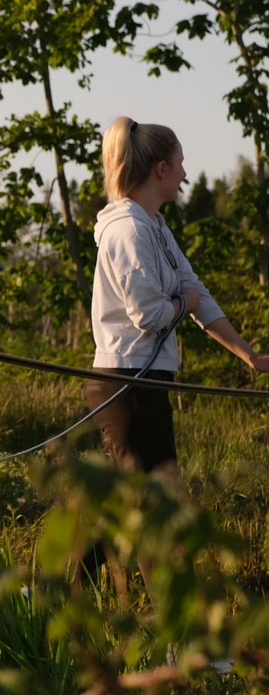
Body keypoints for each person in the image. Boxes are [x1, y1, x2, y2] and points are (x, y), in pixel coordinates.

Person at [80, 117, 269, 586]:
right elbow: (150, 313)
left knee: (133, 502)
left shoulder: (155, 228)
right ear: (161, 169)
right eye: (181, 164)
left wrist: (248, 354)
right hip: (127, 385)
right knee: (154, 507)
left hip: (145, 382)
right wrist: (183, 304)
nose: (187, 173)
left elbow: (196, 290)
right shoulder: (128, 231)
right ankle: (175, 629)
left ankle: (61, 590)